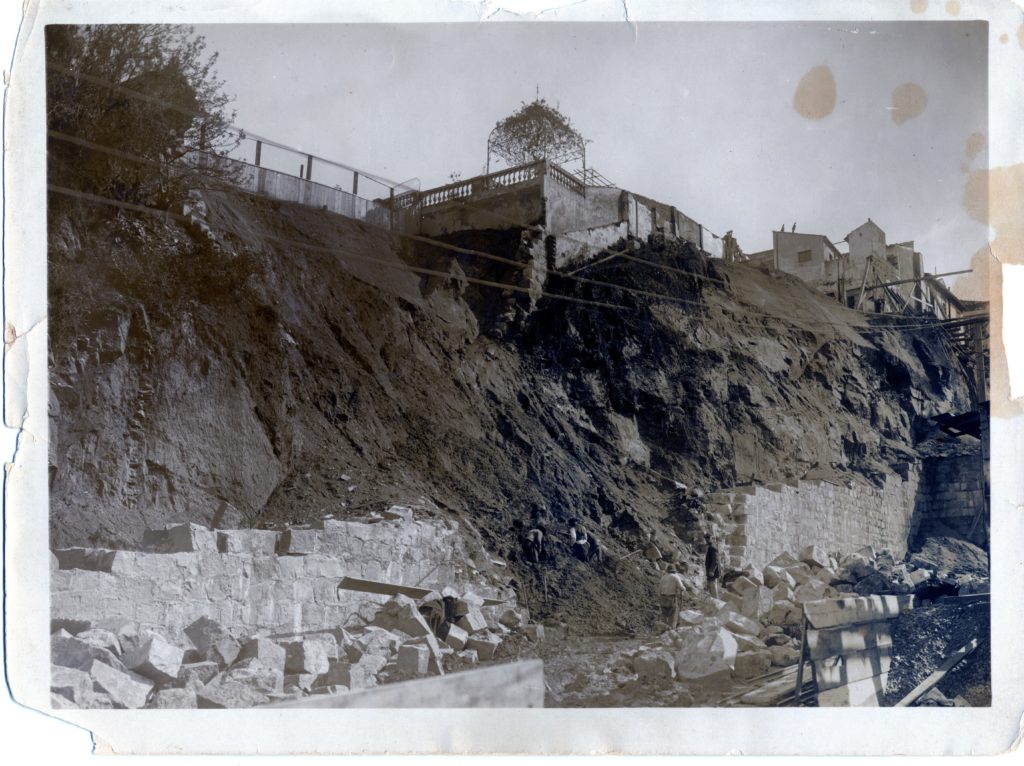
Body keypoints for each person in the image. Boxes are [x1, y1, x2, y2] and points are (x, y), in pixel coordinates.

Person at [658, 564, 687, 629]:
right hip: (671, 598)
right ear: (674, 571)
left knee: (664, 615)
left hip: (663, 598)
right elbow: (681, 588)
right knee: (672, 615)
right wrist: (684, 588)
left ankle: (664, 629)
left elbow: (659, 589)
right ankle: (671, 630)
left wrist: (660, 598)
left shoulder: (663, 577)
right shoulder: (675, 577)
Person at [704, 531, 721, 598]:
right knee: (711, 586)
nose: (707, 540)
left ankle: (716, 602)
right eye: (706, 538)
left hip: (712, 571)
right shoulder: (709, 547)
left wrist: (712, 570)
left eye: (708, 538)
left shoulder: (712, 547)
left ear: (711, 538)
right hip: (709, 570)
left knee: (713, 586)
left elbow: (716, 560)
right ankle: (713, 601)